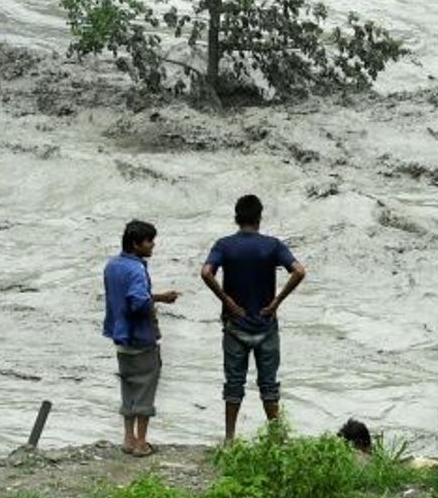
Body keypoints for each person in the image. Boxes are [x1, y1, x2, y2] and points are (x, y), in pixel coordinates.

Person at [200, 194, 307, 442]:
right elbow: (299, 271)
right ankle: (276, 439)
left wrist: (226, 300)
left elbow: (206, 272)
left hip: (235, 325)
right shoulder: (272, 245)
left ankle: (229, 439)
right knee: (269, 386)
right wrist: (277, 301)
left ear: (237, 218)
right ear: (259, 217)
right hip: (266, 324)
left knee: (233, 385)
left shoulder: (224, 245)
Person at [102, 220, 179, 456]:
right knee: (146, 387)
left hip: (120, 337)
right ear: (136, 244)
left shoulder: (112, 265)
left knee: (128, 386)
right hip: (140, 337)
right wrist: (154, 301)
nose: (153, 245)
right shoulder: (137, 269)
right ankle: (141, 442)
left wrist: (158, 297)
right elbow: (137, 300)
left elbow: (126, 296)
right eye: (149, 241)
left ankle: (128, 438)